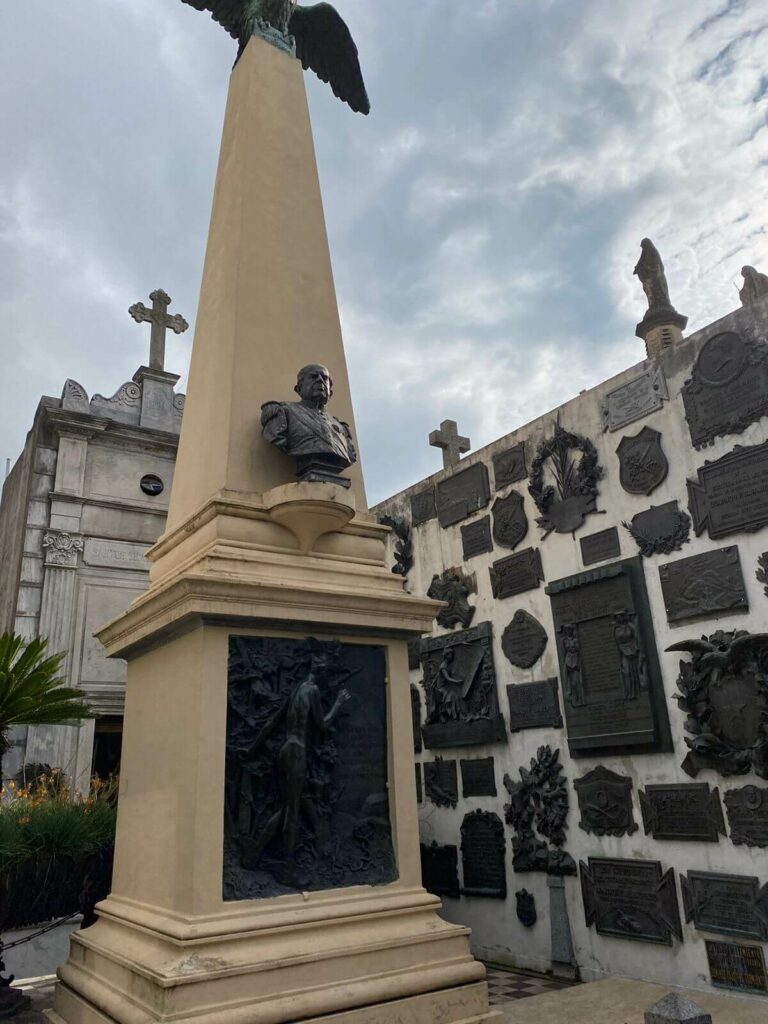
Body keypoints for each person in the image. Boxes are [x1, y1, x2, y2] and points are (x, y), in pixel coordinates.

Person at [240, 651, 353, 884]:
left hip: (285, 751)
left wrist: (251, 748)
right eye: (326, 675)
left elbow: (273, 722)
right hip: (297, 753)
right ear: (320, 673)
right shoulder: (312, 690)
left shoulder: (296, 690)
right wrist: (339, 704)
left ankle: (254, 854)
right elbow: (322, 726)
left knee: (286, 808)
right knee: (291, 812)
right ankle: (288, 869)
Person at [261, 364, 357, 484]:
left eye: (324, 378)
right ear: (299, 389)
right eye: (313, 377)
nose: (320, 380)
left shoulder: (342, 427)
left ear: (330, 392)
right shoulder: (284, 412)